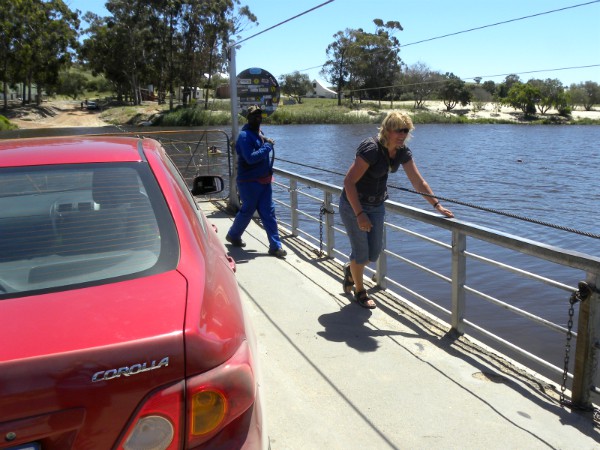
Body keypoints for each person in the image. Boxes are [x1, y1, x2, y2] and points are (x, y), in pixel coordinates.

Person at [340, 111, 454, 309]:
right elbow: (349, 182)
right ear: (387, 130)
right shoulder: (371, 149)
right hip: (353, 204)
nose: (402, 134)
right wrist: (359, 214)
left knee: (373, 253)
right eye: (398, 130)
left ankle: (351, 270)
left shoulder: (402, 152)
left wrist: (437, 205)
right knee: (361, 254)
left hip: (376, 205)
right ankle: (360, 291)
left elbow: (418, 182)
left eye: (406, 130)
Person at [226, 105, 287, 258]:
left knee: (269, 213)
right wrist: (267, 146)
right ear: (248, 117)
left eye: (260, 115)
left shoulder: (259, 133)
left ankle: (275, 246)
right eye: (254, 115)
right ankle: (233, 235)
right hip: (249, 182)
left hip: (264, 182)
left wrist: (265, 141)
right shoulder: (244, 136)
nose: (258, 118)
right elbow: (250, 158)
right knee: (247, 211)